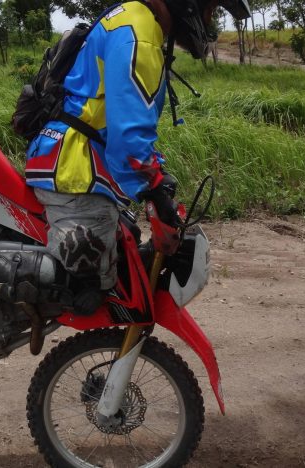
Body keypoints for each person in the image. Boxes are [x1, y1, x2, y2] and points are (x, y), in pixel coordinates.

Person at [24, 0, 251, 314]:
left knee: (127, 244)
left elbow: (117, 120)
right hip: (74, 174)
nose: (208, 18)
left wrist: (156, 176)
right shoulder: (139, 33)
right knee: (94, 285)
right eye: (210, 8)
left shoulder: (133, 19)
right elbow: (128, 138)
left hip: (72, 165)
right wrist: (156, 192)